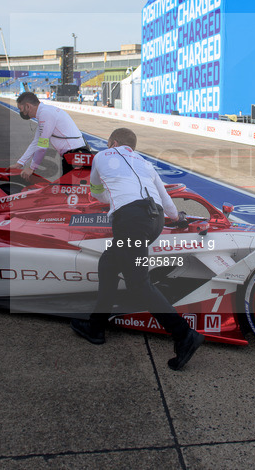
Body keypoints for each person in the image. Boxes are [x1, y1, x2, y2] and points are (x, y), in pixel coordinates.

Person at [70, 128, 203, 370]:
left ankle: (184, 334)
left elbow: (96, 192)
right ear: (132, 147)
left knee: (138, 282)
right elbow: (168, 205)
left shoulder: (102, 155)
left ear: (113, 142)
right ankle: (96, 327)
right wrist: (178, 217)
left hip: (131, 221)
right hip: (155, 221)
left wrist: (117, 200)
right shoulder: (145, 163)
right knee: (108, 264)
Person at [14, 91, 91, 179]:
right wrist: (19, 163)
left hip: (75, 156)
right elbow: (36, 142)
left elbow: (42, 146)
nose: (20, 112)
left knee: (67, 190)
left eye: (21, 109)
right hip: (74, 156)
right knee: (65, 189)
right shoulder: (45, 112)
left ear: (28, 106)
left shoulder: (45, 114)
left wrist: (32, 168)